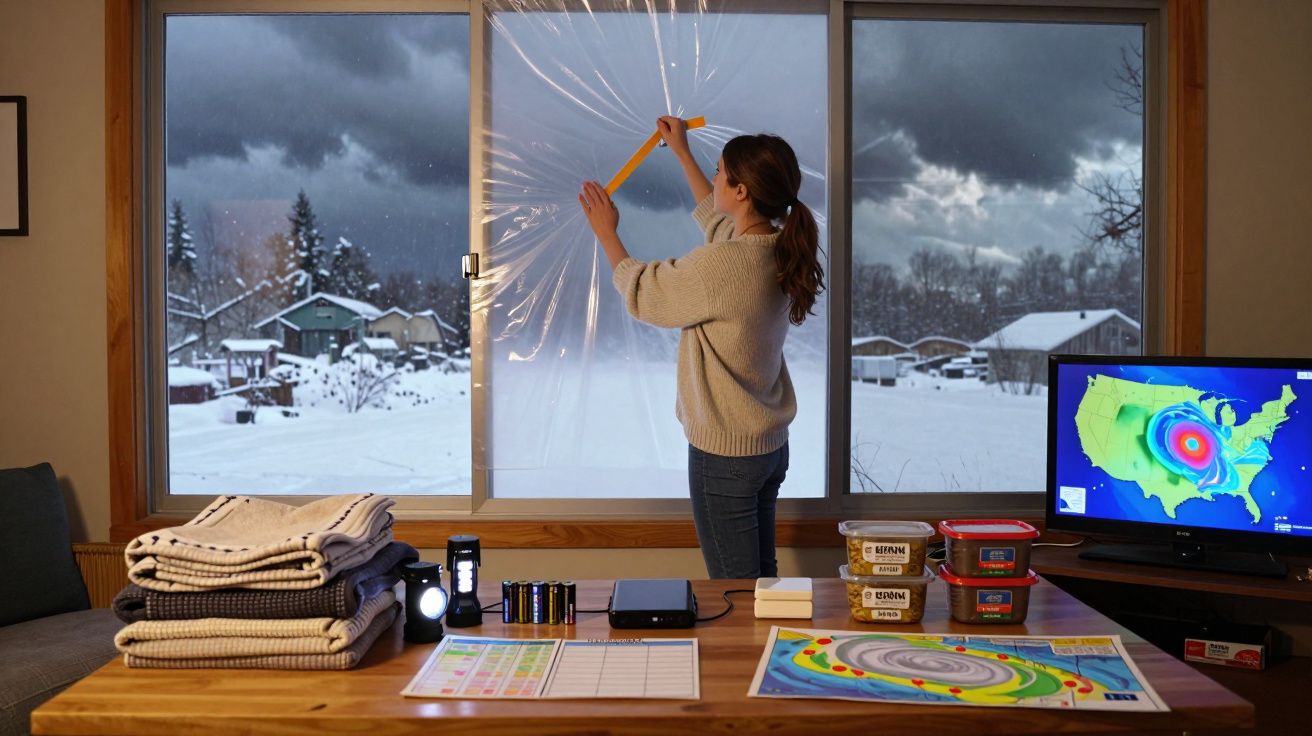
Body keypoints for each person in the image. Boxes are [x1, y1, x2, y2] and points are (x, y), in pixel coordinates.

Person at [578, 116, 824, 579]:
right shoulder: (775, 246)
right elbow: (717, 219)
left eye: (719, 173)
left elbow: (646, 292)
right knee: (760, 583)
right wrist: (682, 153)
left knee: (734, 591)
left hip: (727, 456)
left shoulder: (722, 267)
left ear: (742, 191)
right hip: (766, 448)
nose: (713, 180)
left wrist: (606, 233)